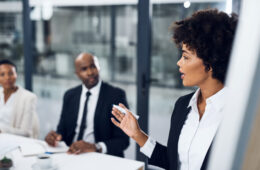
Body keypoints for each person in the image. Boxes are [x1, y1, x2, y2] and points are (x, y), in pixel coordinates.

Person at [111, 9, 238, 170]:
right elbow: (172, 163)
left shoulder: (236, 114)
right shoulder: (182, 105)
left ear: (210, 62)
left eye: (185, 57)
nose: (179, 63)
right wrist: (138, 134)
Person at [45, 53, 129, 157]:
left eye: (93, 66)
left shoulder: (116, 95)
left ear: (99, 67)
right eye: (84, 69)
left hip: (101, 157)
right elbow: (62, 131)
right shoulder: (70, 96)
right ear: (77, 73)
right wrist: (55, 137)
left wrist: (95, 147)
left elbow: (123, 140)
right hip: (72, 154)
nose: (90, 72)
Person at [0, 59, 39, 138]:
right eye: (2, 74)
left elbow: (26, 133)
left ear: (16, 75)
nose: (7, 77)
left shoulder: (28, 97)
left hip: (14, 141)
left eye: (11, 73)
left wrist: (2, 130)